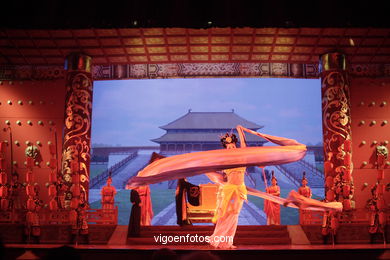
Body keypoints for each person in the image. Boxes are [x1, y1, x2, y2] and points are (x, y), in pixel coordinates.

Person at [209, 133, 247, 249]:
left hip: (240, 189)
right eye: (229, 147)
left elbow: (244, 145)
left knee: (234, 216)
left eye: (234, 146)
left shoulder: (243, 157)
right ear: (226, 149)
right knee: (226, 215)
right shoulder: (225, 161)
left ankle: (227, 242)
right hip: (229, 189)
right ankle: (217, 239)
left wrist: (240, 130)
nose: (232, 148)